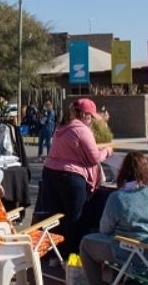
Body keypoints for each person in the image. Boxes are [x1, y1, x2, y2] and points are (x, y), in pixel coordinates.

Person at [80, 152, 148, 285]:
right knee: (118, 239)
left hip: (134, 256)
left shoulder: (118, 198)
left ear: (123, 171)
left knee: (86, 244)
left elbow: (105, 230)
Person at [41, 98, 113, 259]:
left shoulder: (62, 126)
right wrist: (107, 151)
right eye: (91, 116)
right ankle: (71, 256)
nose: (92, 120)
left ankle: (55, 254)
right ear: (86, 114)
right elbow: (94, 158)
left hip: (51, 173)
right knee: (74, 217)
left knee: (56, 216)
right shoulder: (81, 130)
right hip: (71, 178)